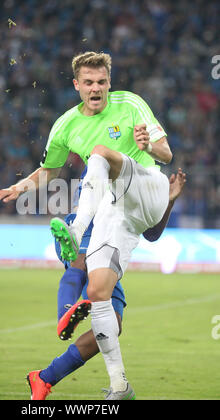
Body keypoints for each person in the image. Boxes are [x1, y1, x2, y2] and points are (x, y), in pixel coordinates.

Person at [0, 51, 173, 399]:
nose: (96, 88)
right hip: (113, 216)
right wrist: (17, 188)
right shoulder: (66, 125)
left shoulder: (130, 104)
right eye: (88, 82)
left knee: (100, 154)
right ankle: (100, 383)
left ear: (110, 83)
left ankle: (70, 283)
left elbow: (166, 153)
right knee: (108, 316)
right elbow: (50, 172)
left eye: (102, 81)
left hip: (143, 186)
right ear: (76, 85)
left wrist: (149, 145)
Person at [26, 168, 186, 400]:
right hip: (87, 227)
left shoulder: (148, 176)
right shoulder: (109, 156)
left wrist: (168, 201)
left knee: (113, 326)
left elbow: (151, 234)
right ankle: (65, 313)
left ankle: (44, 378)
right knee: (83, 261)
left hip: (112, 245)